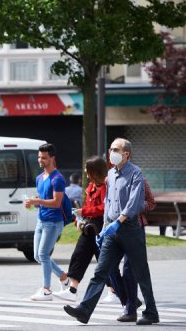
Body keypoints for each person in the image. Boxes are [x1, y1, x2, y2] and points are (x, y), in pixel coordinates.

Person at [64, 138, 159, 325]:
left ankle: (151, 312)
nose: (111, 153)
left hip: (130, 228)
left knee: (141, 272)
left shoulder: (136, 173)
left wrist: (119, 221)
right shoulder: (110, 175)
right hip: (112, 231)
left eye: (115, 150)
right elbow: (108, 203)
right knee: (101, 271)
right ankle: (84, 310)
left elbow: (133, 202)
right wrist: (106, 227)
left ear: (126, 154)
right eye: (110, 149)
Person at [53, 156, 108, 302]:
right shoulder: (90, 187)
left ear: (93, 171)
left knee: (104, 262)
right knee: (79, 255)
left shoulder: (104, 188)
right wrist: (81, 218)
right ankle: (72, 290)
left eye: (87, 168)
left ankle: (118, 293)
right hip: (89, 226)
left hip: (99, 226)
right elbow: (89, 208)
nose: (84, 171)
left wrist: (84, 212)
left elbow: (104, 208)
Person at [104, 179, 156, 322]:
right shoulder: (110, 180)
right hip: (114, 230)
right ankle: (129, 301)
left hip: (134, 229)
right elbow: (107, 204)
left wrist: (134, 205)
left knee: (129, 271)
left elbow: (151, 203)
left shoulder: (140, 181)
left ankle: (130, 309)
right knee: (109, 268)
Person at [24, 143, 69, 301]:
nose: (40, 160)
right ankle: (64, 277)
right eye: (39, 157)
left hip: (54, 222)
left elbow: (57, 203)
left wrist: (38, 200)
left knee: (43, 254)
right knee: (38, 255)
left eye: (44, 157)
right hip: (41, 220)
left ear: (52, 158)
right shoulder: (39, 178)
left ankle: (47, 290)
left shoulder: (58, 179)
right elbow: (43, 199)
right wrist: (32, 203)